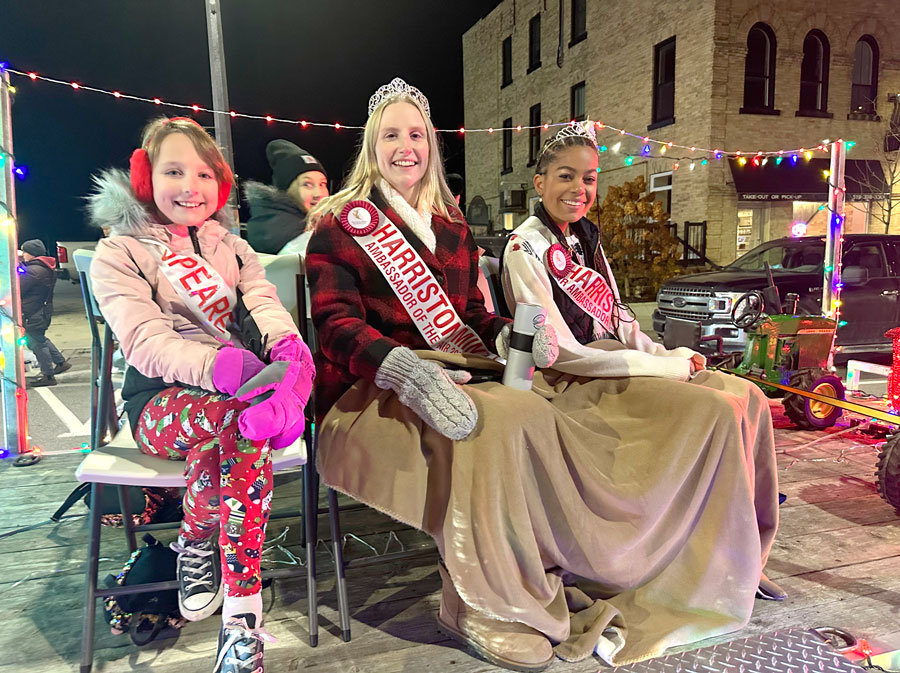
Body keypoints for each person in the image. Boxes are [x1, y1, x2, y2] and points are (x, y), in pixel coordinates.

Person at [307, 80, 780, 671]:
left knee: (526, 410)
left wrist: (510, 335)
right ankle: (476, 604)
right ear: (371, 146)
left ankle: (532, 571)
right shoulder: (340, 225)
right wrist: (404, 370)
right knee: (497, 423)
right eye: (391, 136)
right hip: (374, 385)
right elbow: (334, 326)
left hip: (458, 369)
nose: (406, 148)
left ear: (431, 146)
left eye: (417, 136)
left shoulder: (450, 225)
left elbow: (471, 315)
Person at [88, 117, 314, 673]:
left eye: (204, 174)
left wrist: (289, 353)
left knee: (242, 426)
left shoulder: (234, 248)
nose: (191, 186)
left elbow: (263, 302)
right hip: (160, 404)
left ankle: (223, 590)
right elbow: (146, 343)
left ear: (221, 183)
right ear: (146, 178)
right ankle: (237, 608)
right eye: (174, 171)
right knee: (244, 421)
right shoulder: (120, 252)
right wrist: (225, 367)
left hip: (234, 406)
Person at [245, 140, 328, 255]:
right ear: (286, 189)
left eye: (322, 184)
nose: (318, 193)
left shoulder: (298, 221)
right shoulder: (281, 230)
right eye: (307, 184)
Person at [19, 238, 70, 386]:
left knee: (36, 342)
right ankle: (60, 362)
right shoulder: (43, 267)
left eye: (25, 252)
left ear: (32, 254)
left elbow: (18, 288)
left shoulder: (34, 271)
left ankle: (48, 376)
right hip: (41, 311)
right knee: (39, 337)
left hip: (33, 312)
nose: (23, 255)